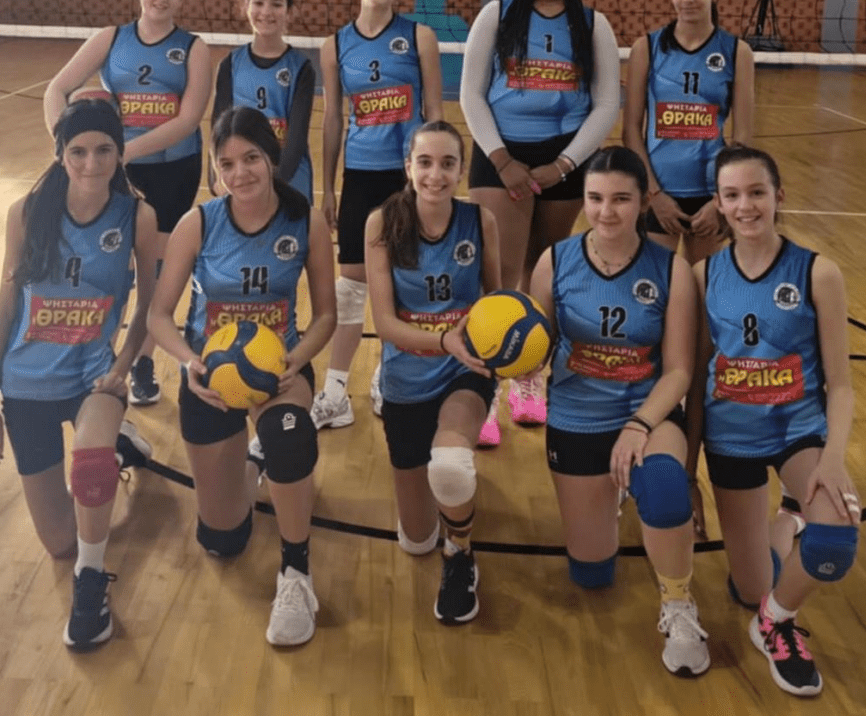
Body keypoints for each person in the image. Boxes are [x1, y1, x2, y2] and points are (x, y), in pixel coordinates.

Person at [148, 106, 336, 647]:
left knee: (287, 436)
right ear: (214, 169)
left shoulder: (305, 221)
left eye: (251, 158)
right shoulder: (199, 223)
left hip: (280, 371)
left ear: (271, 158)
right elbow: (158, 314)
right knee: (222, 539)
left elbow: (327, 314)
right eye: (226, 163)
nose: (240, 173)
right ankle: (255, 464)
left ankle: (296, 572)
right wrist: (189, 362)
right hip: (211, 376)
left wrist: (297, 359)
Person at [0, 99, 158, 650]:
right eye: (78, 151)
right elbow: (5, 308)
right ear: (59, 154)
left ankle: (91, 583)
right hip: (26, 384)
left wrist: (123, 368)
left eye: (104, 149)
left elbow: (150, 308)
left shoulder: (137, 216)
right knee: (59, 541)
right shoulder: (26, 213)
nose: (91, 163)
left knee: (91, 466)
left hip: (92, 378)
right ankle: (117, 449)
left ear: (120, 153)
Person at [528, 145, 710, 677]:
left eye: (621, 200)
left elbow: (678, 371)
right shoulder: (555, 261)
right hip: (576, 413)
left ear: (643, 202)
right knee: (592, 573)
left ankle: (678, 602)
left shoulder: (671, 269)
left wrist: (639, 424)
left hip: (646, 409)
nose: (606, 211)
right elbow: (537, 345)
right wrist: (515, 359)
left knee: (664, 489)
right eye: (595, 198)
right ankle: (613, 496)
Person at [686, 145, 861, 697]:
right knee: (748, 586)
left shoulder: (818, 272)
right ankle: (788, 518)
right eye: (732, 195)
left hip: (797, 430)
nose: (746, 206)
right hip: (730, 436)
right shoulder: (703, 274)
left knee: (836, 537)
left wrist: (833, 460)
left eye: (757, 192)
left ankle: (777, 623)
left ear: (778, 195)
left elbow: (842, 384)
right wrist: (688, 472)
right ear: (718, 203)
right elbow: (694, 380)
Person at [460, 0, 621, 445]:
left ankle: (529, 376)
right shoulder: (497, 14)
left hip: (564, 158)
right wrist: (502, 159)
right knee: (501, 274)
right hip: (500, 152)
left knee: (543, 271)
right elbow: (470, 94)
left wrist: (566, 164)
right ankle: (485, 388)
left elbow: (606, 104)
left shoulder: (592, 25)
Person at [44, 0, 212, 406]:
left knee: (155, 270)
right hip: (114, 169)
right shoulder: (111, 38)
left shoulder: (193, 48)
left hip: (172, 169)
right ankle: (95, 354)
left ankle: (141, 361)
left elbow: (189, 119)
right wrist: (67, 146)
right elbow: (56, 90)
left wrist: (125, 153)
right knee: (110, 264)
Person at [364, 121, 500, 624]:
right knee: (416, 539)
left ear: (462, 170)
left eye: (447, 164)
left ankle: (460, 553)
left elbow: (497, 299)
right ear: (408, 167)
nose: (435, 175)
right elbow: (385, 324)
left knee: (449, 466)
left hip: (464, 369)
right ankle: (443, 513)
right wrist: (443, 338)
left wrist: (501, 342)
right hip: (406, 376)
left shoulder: (480, 219)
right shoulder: (382, 223)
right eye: (425, 162)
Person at [312, 0, 444, 430]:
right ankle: (335, 392)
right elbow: (332, 118)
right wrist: (329, 188)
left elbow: (435, 112)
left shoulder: (418, 37)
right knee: (351, 285)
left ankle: (390, 377)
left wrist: (432, 178)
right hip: (361, 173)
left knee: (405, 281)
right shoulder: (335, 45)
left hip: (408, 175)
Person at [623, 0, 755, 265]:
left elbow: (743, 137)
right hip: (659, 191)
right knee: (654, 283)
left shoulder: (737, 52)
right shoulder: (646, 48)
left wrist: (721, 200)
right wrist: (654, 196)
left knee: (702, 284)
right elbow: (630, 132)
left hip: (709, 194)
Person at [212, 0, 316, 203]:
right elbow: (218, 127)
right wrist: (218, 174)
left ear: (289, 12)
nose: (266, 12)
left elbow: (297, 138)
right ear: (246, 7)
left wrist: (273, 183)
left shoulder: (301, 68)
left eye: (276, 4)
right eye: (258, 3)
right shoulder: (230, 64)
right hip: (243, 176)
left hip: (289, 178)